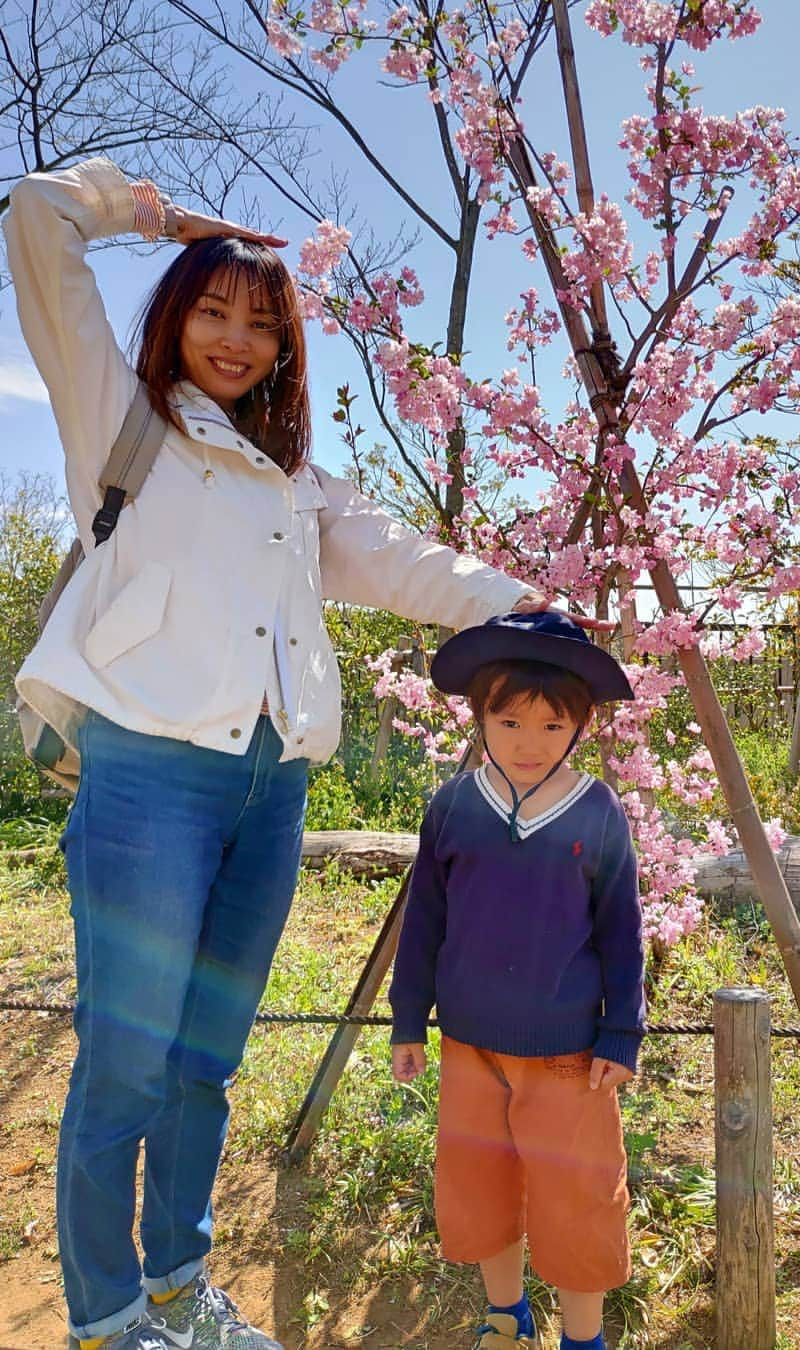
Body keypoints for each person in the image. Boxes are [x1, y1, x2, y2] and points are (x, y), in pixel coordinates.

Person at [3, 159, 601, 1350]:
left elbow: (403, 564)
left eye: (263, 322)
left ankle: (177, 1288)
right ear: (176, 316)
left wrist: (531, 600)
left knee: (207, 1062)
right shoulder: (119, 414)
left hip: (271, 786)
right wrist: (164, 219)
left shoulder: (295, 481)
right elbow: (34, 212)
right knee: (126, 1054)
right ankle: (107, 1317)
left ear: (286, 349)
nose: (235, 338)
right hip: (148, 774)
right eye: (215, 311)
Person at [389, 610, 646, 1350]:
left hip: (569, 1057)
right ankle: (505, 1314)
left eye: (550, 726)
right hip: (469, 1044)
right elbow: (425, 923)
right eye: (508, 722)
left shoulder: (598, 811)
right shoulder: (454, 807)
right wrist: (411, 1021)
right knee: (481, 1189)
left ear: (580, 726)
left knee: (577, 1198)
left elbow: (622, 931)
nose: (528, 744)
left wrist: (621, 1031)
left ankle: (583, 1337)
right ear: (479, 718)